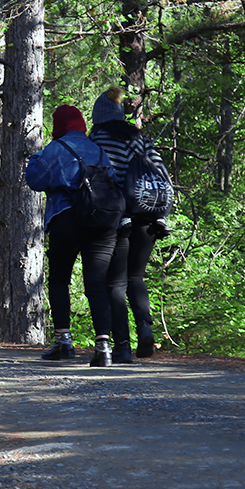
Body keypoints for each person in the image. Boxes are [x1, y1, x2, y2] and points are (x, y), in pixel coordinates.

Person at [25, 103, 123, 366]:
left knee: (59, 279)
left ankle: (64, 342)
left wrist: (35, 157)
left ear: (59, 126)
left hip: (66, 218)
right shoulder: (98, 150)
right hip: (102, 220)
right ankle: (104, 347)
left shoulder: (55, 149)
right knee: (97, 283)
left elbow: (35, 180)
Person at [89, 87, 171, 359]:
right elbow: (160, 171)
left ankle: (122, 347)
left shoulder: (98, 139)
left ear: (98, 115)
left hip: (121, 217)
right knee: (136, 277)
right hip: (149, 214)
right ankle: (145, 330)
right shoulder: (138, 137)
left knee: (115, 283)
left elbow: (102, 178)